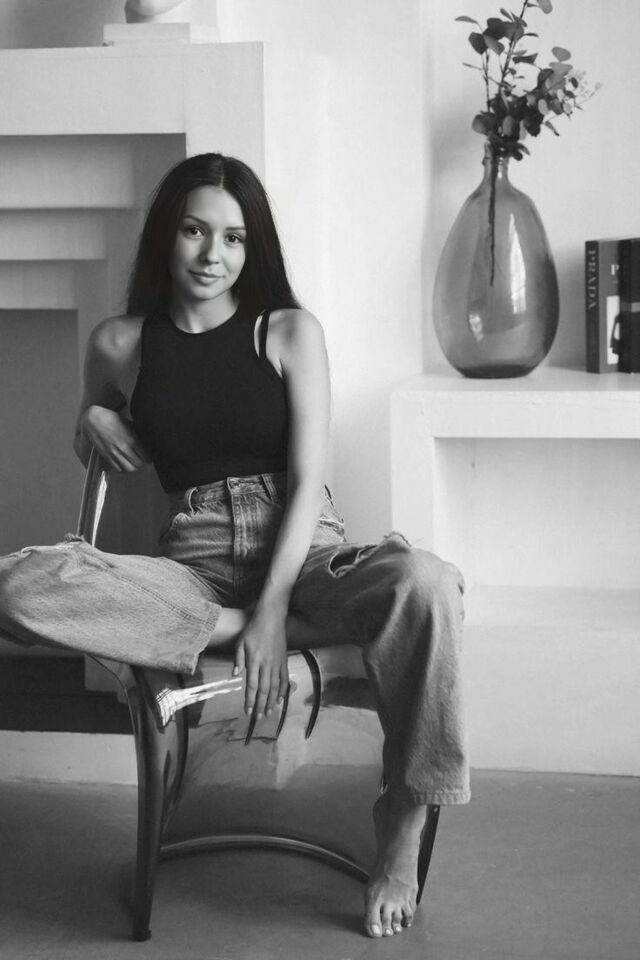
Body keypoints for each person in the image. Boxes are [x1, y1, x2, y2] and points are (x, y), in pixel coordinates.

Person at [0, 153, 469, 939]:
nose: (212, 255)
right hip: (196, 567)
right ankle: (239, 630)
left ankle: (406, 812)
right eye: (195, 230)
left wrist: (276, 607)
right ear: (166, 235)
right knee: (18, 583)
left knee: (428, 582)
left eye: (234, 237)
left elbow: (309, 474)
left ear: (253, 248)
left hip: (304, 550)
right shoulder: (120, 343)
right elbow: (92, 444)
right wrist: (93, 417)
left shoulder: (287, 331)